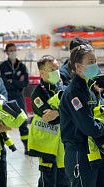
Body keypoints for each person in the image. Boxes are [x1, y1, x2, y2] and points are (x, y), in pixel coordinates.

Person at [59, 44, 104, 187]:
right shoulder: (74, 93)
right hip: (79, 152)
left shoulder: (91, 87)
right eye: (90, 62)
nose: (95, 65)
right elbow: (90, 128)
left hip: (96, 150)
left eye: (95, 61)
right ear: (78, 66)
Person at [28, 55, 70, 187]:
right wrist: (64, 112)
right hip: (47, 147)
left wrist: (57, 112)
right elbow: (50, 119)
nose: (56, 71)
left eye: (57, 67)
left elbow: (73, 112)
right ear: (42, 72)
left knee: (64, 181)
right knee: (48, 182)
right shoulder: (38, 93)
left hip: (63, 146)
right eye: (52, 69)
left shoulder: (62, 87)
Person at [60, 37, 104, 103]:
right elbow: (66, 98)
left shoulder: (93, 68)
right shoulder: (63, 73)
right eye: (80, 52)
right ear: (72, 53)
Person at [0, 43, 29, 154]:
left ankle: (27, 146)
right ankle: (1, 146)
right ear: (6, 52)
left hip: (19, 97)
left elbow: (25, 83)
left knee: (23, 121)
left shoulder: (21, 66)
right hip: (7, 97)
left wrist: (12, 81)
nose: (13, 52)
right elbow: (4, 84)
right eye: (11, 50)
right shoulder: (3, 66)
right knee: (3, 122)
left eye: (15, 50)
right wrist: (17, 82)